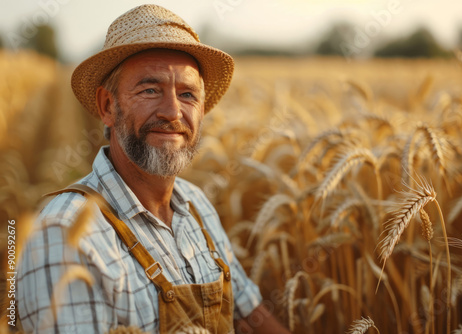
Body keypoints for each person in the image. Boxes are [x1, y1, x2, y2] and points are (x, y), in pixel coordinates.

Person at [17, 5, 290, 334]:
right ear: (107, 106)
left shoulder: (197, 205)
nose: (173, 112)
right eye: (150, 90)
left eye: (188, 94)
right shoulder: (63, 235)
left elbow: (249, 316)